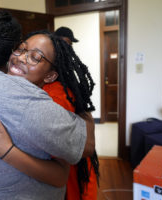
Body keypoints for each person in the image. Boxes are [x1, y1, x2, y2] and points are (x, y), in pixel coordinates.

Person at [0, 10, 93, 200]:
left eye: (36, 57)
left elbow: (63, 172)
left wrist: (7, 151)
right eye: (21, 49)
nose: (22, 57)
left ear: (50, 75)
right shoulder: (14, 94)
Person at [55, 27, 100, 200]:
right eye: (62, 44)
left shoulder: (69, 78)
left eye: (69, 45)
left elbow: (88, 146)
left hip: (73, 152)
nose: (66, 49)